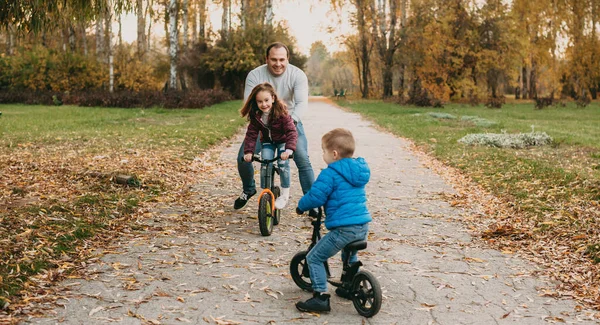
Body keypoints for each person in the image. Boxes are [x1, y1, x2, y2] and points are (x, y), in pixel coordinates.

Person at [294, 128, 372, 313]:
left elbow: (316, 197)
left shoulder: (329, 174)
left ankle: (321, 297)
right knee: (349, 254)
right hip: (362, 225)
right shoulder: (358, 171)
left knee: (314, 257)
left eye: (323, 151)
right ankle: (348, 285)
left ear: (334, 154)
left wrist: (301, 206)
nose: (322, 155)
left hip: (343, 229)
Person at [234, 42, 315, 210]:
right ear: (266, 59)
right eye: (274, 60)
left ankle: (312, 201)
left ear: (287, 59)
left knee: (301, 157)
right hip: (263, 124)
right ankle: (249, 189)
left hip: (289, 121)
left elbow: (301, 104)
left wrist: (290, 122)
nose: (278, 64)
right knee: (243, 157)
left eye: (282, 60)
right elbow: (249, 103)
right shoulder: (255, 75)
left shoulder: (297, 75)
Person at [240, 82, 297, 208]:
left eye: (266, 100)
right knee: (265, 163)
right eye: (260, 101)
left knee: (283, 164)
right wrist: (248, 152)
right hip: (267, 142)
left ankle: (284, 195)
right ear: (256, 102)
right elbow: (251, 134)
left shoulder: (282, 113)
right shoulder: (256, 115)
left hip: (282, 141)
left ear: (273, 98)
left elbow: (291, 131)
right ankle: (266, 192)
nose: (264, 104)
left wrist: (288, 150)